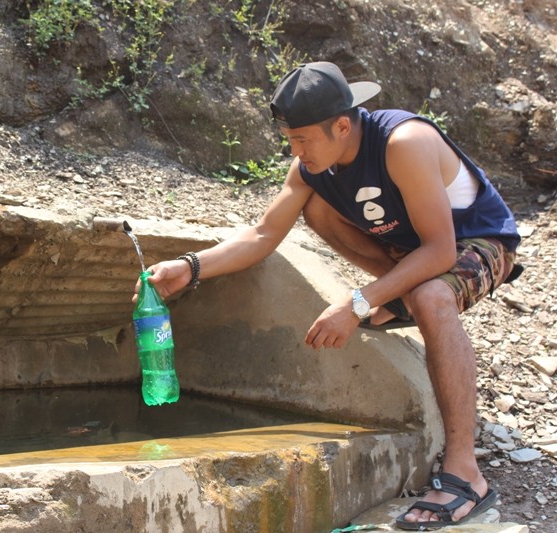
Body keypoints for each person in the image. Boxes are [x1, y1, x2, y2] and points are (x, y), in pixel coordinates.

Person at [134, 61, 521, 529]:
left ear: (342, 125)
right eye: (289, 139)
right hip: (410, 252)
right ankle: (400, 295)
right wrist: (190, 267)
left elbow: (440, 251)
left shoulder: (404, 143)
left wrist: (358, 302)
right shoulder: (311, 165)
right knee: (314, 205)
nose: (294, 151)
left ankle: (466, 473)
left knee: (433, 298)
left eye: (302, 139)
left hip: (474, 242)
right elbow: (262, 235)